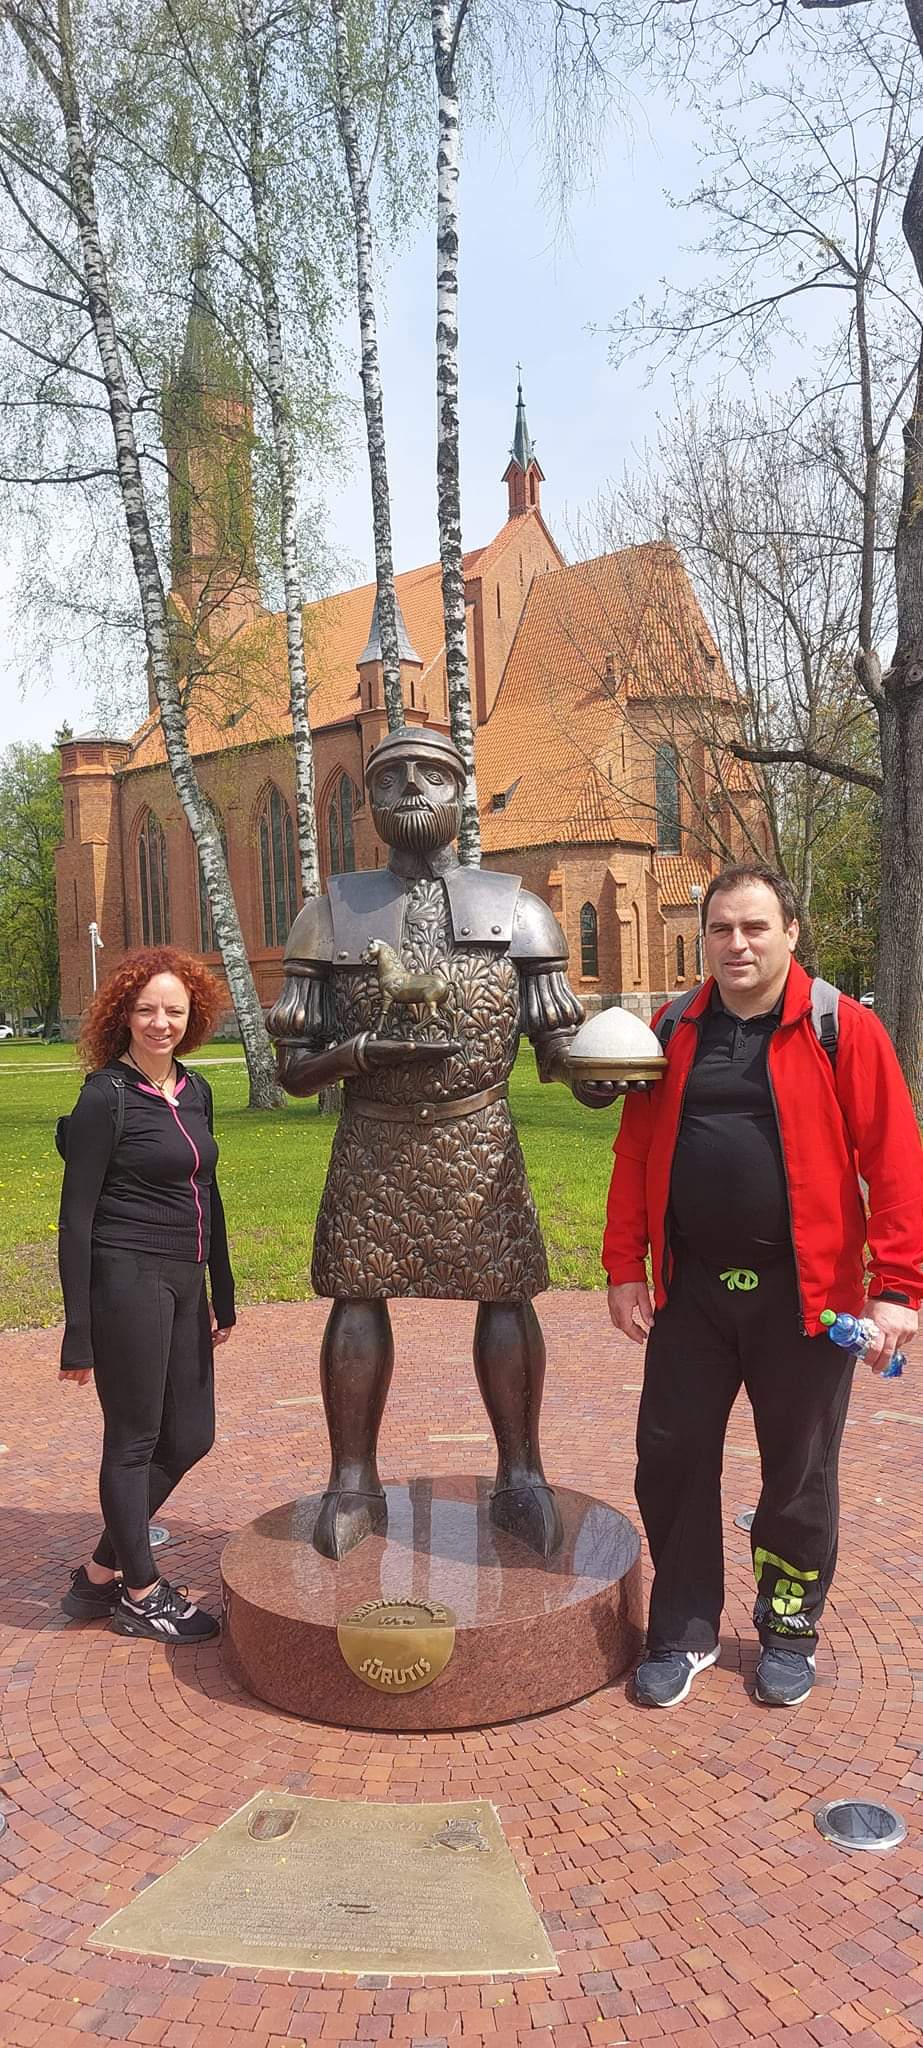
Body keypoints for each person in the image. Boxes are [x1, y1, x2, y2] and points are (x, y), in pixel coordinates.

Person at [266, 724, 603, 1564]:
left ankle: (520, 1472)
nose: (412, 787)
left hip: (479, 1140)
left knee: (506, 1296)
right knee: (356, 1298)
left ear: (460, 793)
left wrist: (596, 1074)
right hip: (373, 1143)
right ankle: (352, 1480)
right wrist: (356, 1055)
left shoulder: (519, 911)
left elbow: (555, 1043)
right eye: (391, 778)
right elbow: (294, 1070)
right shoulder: (328, 914)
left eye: (432, 774)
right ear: (368, 803)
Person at [605, 864, 923, 1709]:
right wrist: (624, 1267)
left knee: (797, 1471)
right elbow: (634, 1151)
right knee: (670, 1458)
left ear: (790, 932)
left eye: (753, 927)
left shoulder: (840, 1029)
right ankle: (683, 1629)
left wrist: (897, 1289)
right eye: (720, 929)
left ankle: (787, 1627)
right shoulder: (672, 1027)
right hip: (692, 1295)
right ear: (703, 939)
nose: (735, 944)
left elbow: (894, 1161)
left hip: (806, 1300)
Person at [58, 946, 236, 1642]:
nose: (161, 1022)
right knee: (134, 1439)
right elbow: (75, 1219)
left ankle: (101, 1572)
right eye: (147, 1010)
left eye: (175, 1011)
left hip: (184, 1280)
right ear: (123, 1016)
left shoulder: (195, 1090)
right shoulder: (104, 1097)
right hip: (125, 1277)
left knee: (191, 1435)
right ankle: (140, 1593)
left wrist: (222, 1289)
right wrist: (78, 1331)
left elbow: (207, 1193)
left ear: (193, 1018)